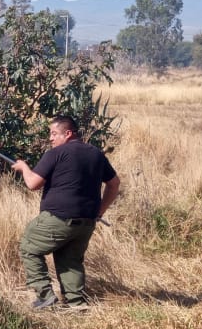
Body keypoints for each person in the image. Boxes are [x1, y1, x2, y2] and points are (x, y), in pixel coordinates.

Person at [11, 115, 120, 310]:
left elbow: (33, 184)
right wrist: (99, 212)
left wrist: (23, 167)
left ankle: (45, 295)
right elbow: (114, 184)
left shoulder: (56, 153)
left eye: (54, 134)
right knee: (70, 260)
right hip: (86, 222)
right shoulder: (95, 154)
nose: (50, 138)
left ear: (68, 133)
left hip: (58, 218)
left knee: (29, 247)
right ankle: (76, 303)